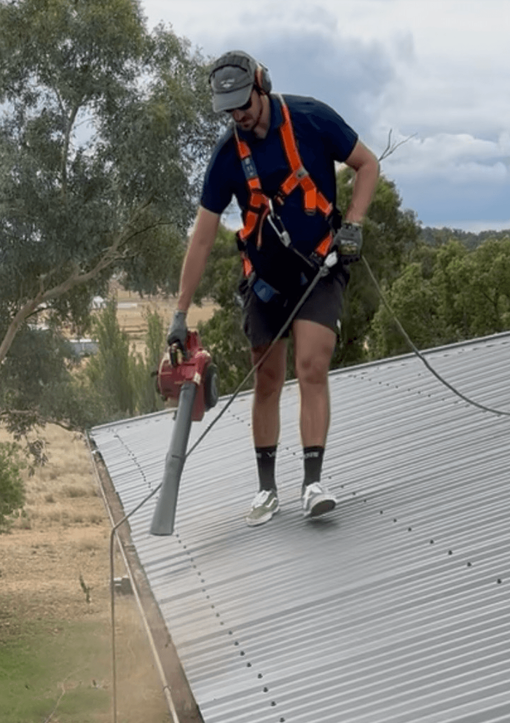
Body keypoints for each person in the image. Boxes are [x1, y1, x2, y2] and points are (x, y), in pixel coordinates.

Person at [166, 50, 379, 527]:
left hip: (320, 267)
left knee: (312, 366)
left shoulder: (311, 118)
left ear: (261, 87)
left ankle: (313, 483)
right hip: (264, 280)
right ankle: (266, 490)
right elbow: (202, 238)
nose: (238, 115)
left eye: (243, 103)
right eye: (229, 108)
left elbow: (367, 165)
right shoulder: (227, 156)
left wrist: (355, 226)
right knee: (266, 378)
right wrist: (179, 314)